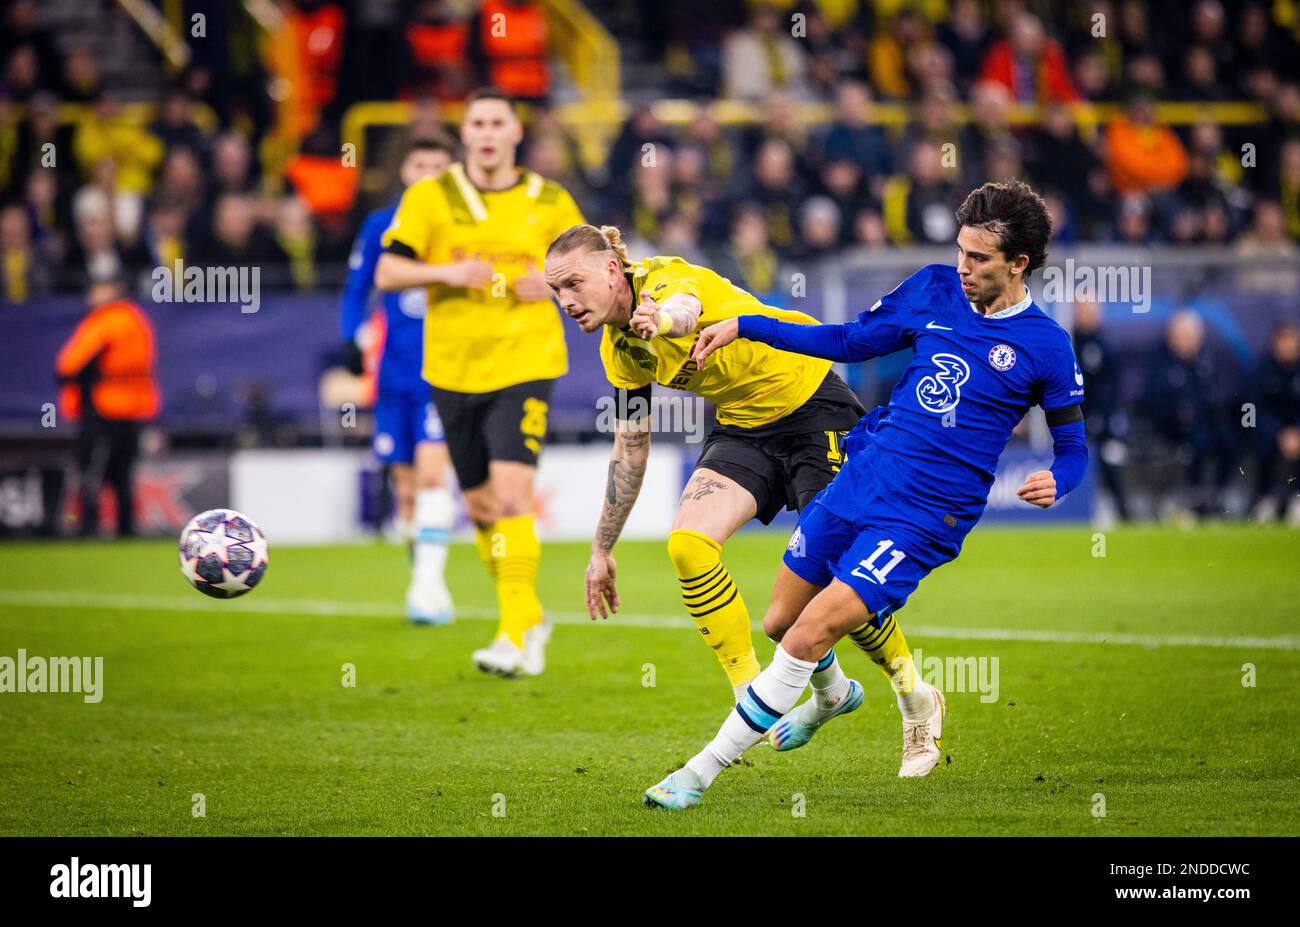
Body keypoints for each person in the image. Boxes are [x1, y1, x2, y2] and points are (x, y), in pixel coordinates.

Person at [643, 180, 1089, 809]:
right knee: (780, 622)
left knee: (810, 632)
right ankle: (875, 699)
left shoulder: (1046, 344)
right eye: (960, 250)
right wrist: (746, 325)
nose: (962, 267)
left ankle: (695, 774)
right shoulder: (935, 287)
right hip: (863, 476)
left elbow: (1073, 448)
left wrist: (1059, 481)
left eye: (979, 259)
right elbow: (850, 341)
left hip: (926, 515)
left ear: (1018, 264)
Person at [543, 224, 865, 705]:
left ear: (613, 270)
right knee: (688, 546)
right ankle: (749, 691)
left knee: (835, 570)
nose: (565, 300)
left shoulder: (664, 279)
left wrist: (663, 321)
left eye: (573, 284)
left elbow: (684, 310)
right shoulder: (620, 351)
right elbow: (631, 448)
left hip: (811, 400)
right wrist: (601, 551)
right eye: (555, 290)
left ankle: (913, 694)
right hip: (743, 424)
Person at [374, 87, 584, 677]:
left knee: (515, 496)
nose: (488, 133)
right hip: (451, 369)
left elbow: (592, 271)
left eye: (499, 122)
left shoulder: (550, 199)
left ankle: (513, 634)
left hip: (526, 363)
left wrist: (552, 285)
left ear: (516, 133)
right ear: (463, 134)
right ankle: (530, 615)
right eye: (478, 123)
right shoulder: (429, 196)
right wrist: (449, 272)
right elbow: (388, 269)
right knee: (484, 508)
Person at [340, 137, 456, 624]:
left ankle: (425, 588)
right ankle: (427, 581)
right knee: (405, 491)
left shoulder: (463, 224)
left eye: (438, 165)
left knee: (433, 475)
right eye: (419, 163)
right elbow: (356, 289)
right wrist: (350, 339)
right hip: (393, 374)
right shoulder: (379, 225)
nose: (428, 172)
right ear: (404, 170)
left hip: (444, 371)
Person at [55, 276, 160, 538]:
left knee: (92, 472)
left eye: (96, 289)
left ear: (111, 291)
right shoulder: (138, 320)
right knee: (123, 475)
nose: (90, 295)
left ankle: (87, 528)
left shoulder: (104, 322)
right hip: (132, 411)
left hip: (103, 410)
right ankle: (127, 529)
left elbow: (68, 366)